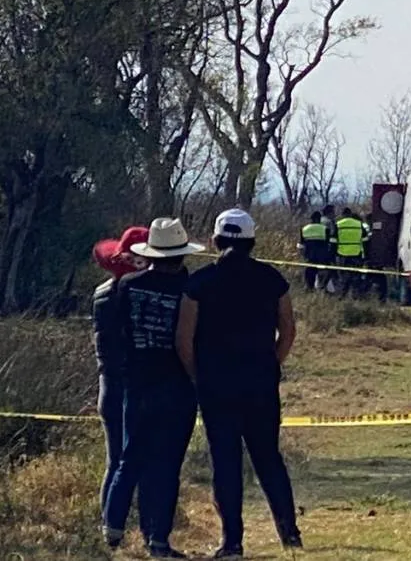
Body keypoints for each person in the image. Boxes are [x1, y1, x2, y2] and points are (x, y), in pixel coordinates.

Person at [177, 209, 302, 559]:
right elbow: (289, 329)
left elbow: (183, 339)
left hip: (217, 386)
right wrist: (271, 363)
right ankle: (290, 534)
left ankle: (231, 542)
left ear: (216, 240)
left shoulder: (199, 284)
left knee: (226, 461)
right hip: (261, 383)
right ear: (251, 242)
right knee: (268, 458)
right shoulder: (272, 279)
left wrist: (197, 376)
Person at [102, 218, 203, 558]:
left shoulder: (127, 285)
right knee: (167, 465)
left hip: (137, 385)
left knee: (129, 458)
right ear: (181, 254)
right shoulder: (191, 288)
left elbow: (115, 334)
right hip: (178, 387)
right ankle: (158, 539)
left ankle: (112, 529)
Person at [91, 226, 150, 514]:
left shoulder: (101, 294)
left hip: (108, 384)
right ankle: (143, 523)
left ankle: (110, 523)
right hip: (136, 387)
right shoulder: (140, 299)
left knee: (115, 462)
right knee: (144, 461)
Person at [332, 208, 365, 296]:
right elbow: (365, 239)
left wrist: (333, 254)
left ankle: (342, 296)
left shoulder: (338, 225)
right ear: (350, 214)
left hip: (342, 255)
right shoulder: (359, 224)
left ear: (342, 215)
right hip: (356, 254)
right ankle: (356, 296)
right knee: (356, 277)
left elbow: (333, 241)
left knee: (343, 277)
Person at [298, 212, 329, 292]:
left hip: (309, 255)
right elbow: (329, 243)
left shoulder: (304, 229)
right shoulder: (325, 228)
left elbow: (300, 245)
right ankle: (322, 288)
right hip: (323, 256)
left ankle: (309, 288)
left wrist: (302, 255)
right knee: (325, 272)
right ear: (319, 219)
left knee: (309, 272)